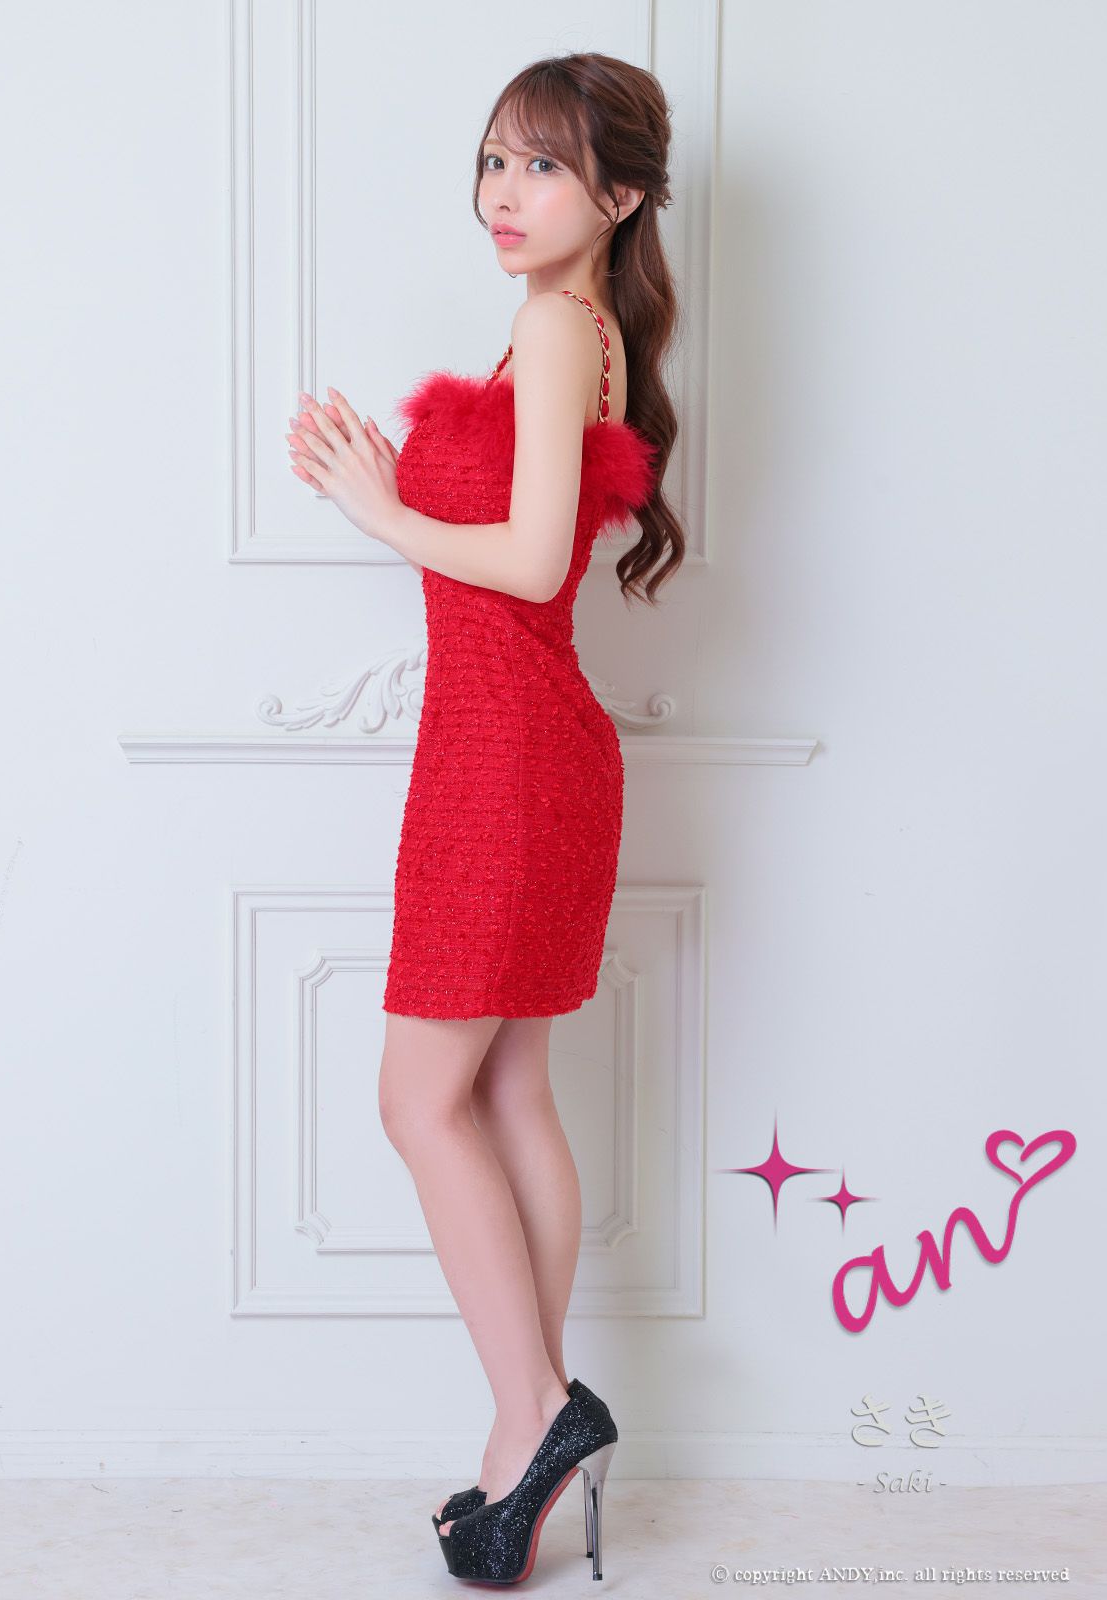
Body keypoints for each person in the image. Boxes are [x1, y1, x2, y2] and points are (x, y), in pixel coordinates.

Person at [287, 50, 685, 1586]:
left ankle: (538, 1416)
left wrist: (379, 506)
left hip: (510, 756)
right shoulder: (568, 331)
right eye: (496, 162)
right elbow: (524, 544)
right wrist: (401, 492)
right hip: (509, 746)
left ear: (622, 196)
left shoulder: (557, 326)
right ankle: (523, 1442)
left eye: (545, 167)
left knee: (418, 1099)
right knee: (506, 1091)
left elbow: (526, 564)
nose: (505, 195)